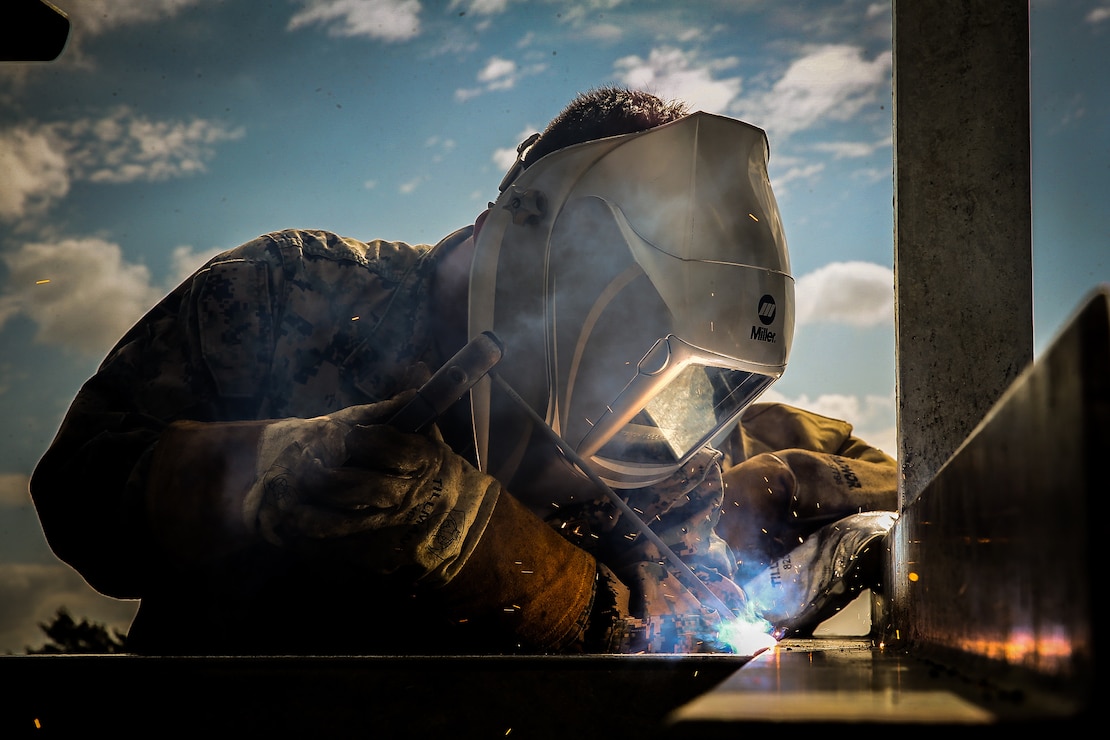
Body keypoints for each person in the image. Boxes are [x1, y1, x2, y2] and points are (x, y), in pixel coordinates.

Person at [29, 87, 897, 655]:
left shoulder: (658, 443)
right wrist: (268, 470)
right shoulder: (280, 291)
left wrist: (485, 547)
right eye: (627, 324)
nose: (643, 393)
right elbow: (75, 496)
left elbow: (703, 630)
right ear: (534, 245)